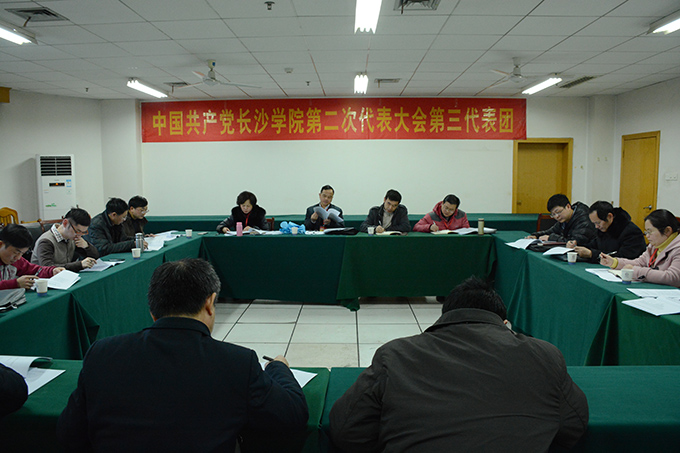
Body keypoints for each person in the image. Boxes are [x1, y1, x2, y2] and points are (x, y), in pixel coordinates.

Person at [57, 258, 308, 452]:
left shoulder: (101, 353)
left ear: (152, 309)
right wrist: (278, 367)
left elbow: (69, 433)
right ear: (210, 303)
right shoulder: (238, 363)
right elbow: (293, 415)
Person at [329, 276, 588, 452]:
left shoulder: (396, 354)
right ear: (504, 323)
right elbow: (573, 425)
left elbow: (346, 430)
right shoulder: (544, 354)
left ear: (445, 317)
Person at [601, 209, 680, 287]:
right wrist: (614, 262)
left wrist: (636, 271)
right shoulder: (655, 245)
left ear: (667, 231)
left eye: (650, 232)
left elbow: (673, 277)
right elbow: (639, 263)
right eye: (646, 232)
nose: (647, 236)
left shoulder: (677, 248)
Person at [567, 201, 646, 263]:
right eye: (594, 223)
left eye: (598, 223)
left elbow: (624, 258)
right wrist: (576, 246)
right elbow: (593, 245)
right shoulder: (603, 229)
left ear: (609, 217)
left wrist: (592, 254)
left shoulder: (631, 232)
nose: (596, 227)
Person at [31, 208, 99, 272]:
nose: (79, 235)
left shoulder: (71, 237)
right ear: (65, 223)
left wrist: (86, 246)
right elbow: (48, 268)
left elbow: (95, 257)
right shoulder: (46, 241)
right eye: (77, 231)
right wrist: (79, 265)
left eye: (83, 232)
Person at [0, 224, 62, 290]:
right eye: (15, 252)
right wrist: (15, 283)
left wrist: (52, 271)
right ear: (1, 245)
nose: (18, 258)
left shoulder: (18, 261)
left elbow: (35, 270)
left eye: (22, 253)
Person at [529, 194, 595, 244]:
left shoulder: (583, 218)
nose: (557, 216)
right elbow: (551, 231)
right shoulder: (564, 219)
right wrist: (536, 236)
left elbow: (575, 242)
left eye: (558, 212)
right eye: (553, 214)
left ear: (568, 206)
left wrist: (551, 238)